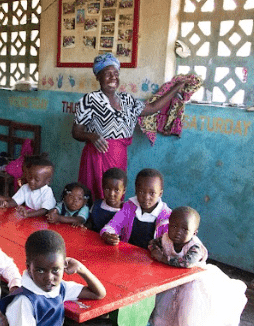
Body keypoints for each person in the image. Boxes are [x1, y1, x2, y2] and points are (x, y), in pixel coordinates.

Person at [71, 53, 187, 200]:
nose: (113, 77)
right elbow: (76, 132)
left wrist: (176, 88)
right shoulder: (89, 100)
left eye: (116, 73)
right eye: (107, 74)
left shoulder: (127, 99)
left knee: (115, 196)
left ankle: (112, 223)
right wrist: (91, 136)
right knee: (95, 196)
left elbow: (151, 108)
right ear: (98, 76)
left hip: (119, 155)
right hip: (97, 156)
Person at [147, 207, 248, 326]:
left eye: (184, 229)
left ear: (194, 233)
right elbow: (153, 243)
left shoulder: (195, 247)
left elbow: (186, 263)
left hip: (192, 283)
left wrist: (162, 258)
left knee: (188, 313)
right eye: (174, 226)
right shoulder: (165, 237)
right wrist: (154, 249)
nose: (178, 232)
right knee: (165, 308)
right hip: (172, 280)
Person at [100, 168, 171, 250]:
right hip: (125, 253)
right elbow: (114, 225)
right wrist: (107, 234)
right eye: (141, 192)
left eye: (152, 193)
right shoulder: (129, 207)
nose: (146, 197)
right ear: (136, 191)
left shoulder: (167, 217)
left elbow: (170, 246)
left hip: (151, 260)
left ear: (160, 193)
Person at [87, 167, 127, 231]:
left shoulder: (126, 210)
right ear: (103, 188)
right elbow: (90, 223)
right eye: (107, 189)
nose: (111, 194)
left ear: (123, 190)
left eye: (116, 190)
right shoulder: (97, 205)